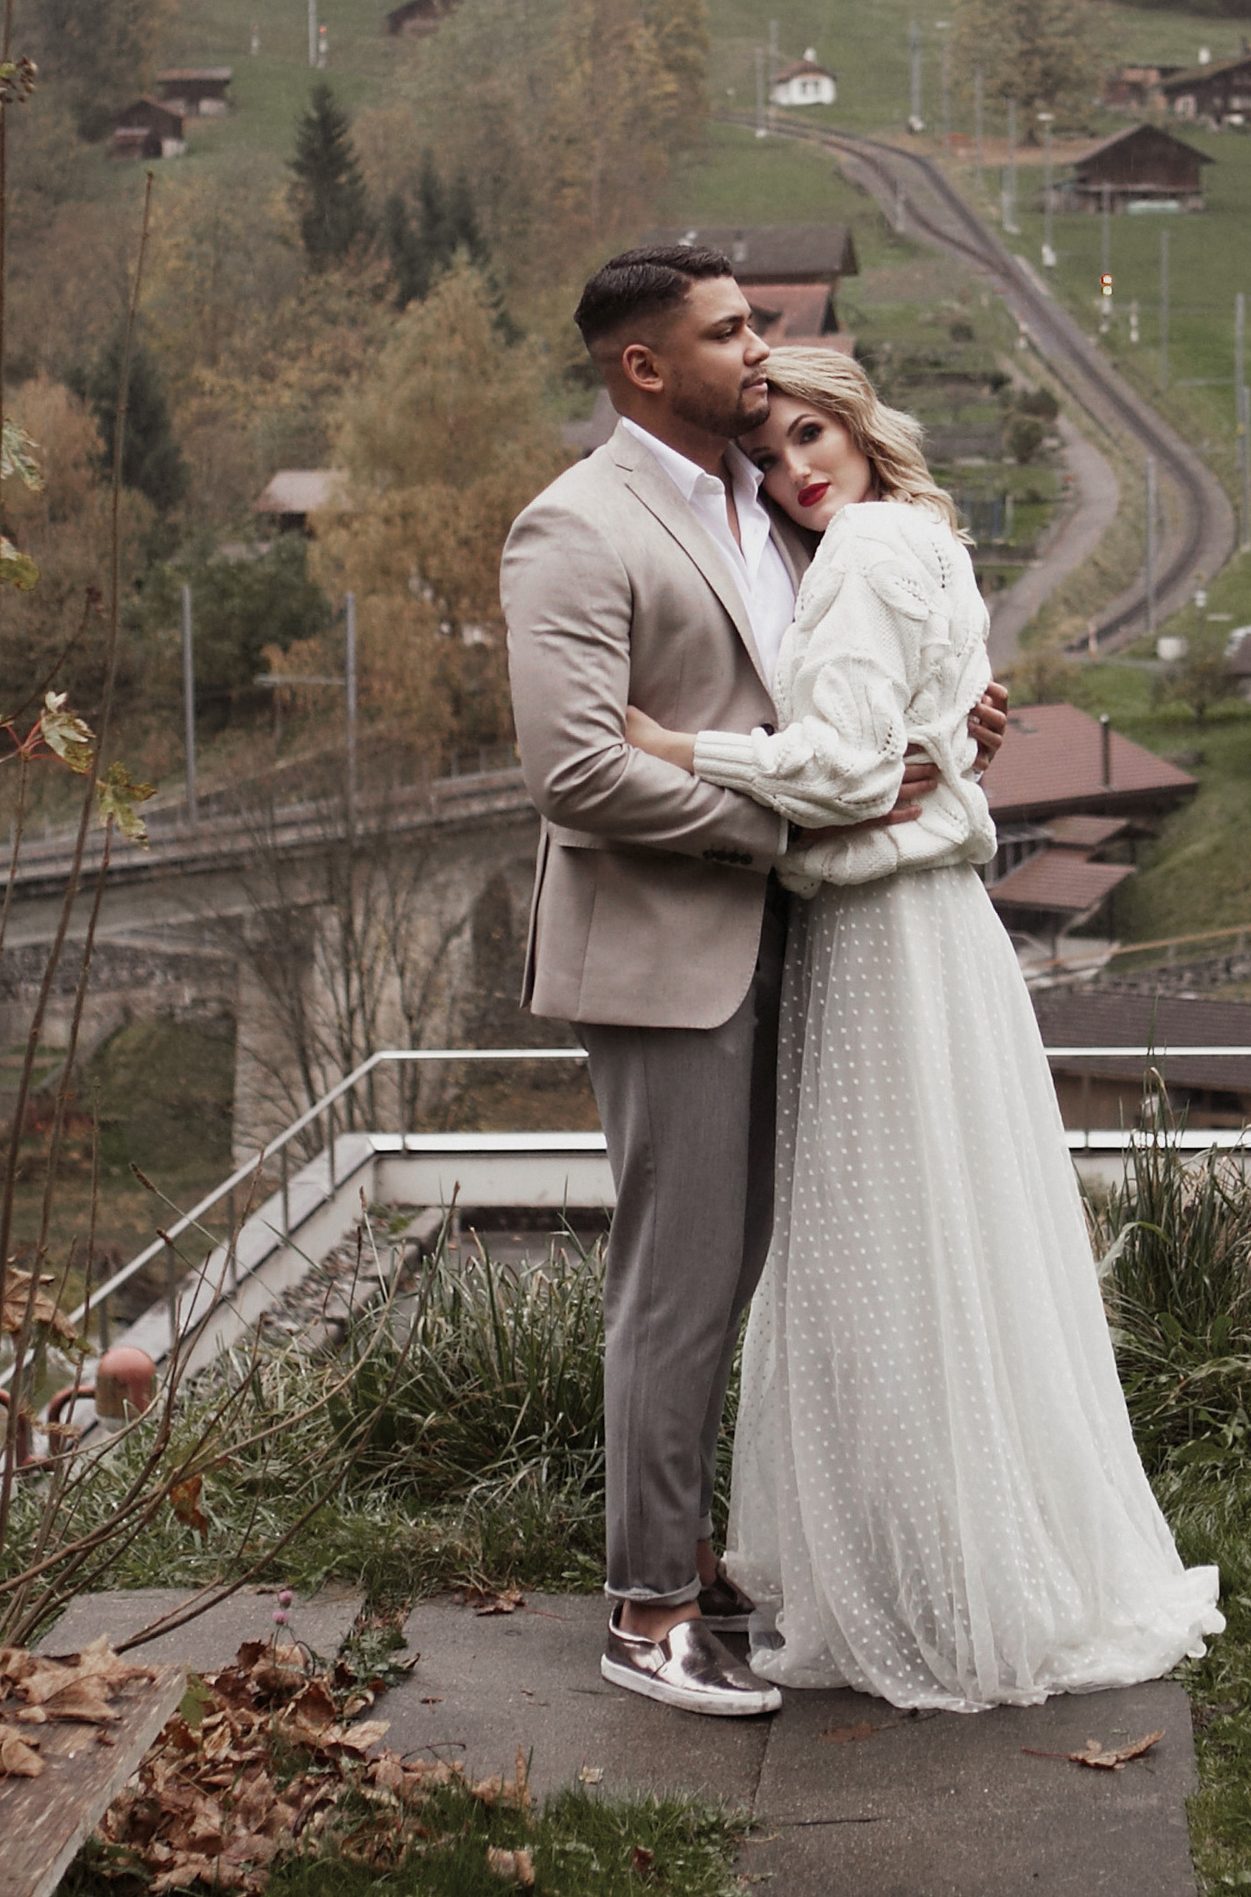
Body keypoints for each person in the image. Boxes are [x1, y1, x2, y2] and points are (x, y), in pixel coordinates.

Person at [622, 339, 1222, 1713]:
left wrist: (676, 751)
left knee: (880, 1244)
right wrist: (942, 750)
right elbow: (913, 734)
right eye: (767, 456)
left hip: (883, 936)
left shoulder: (865, 551)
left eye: (811, 432)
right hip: (933, 929)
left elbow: (839, 765)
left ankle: (930, 1579)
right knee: (949, 1237)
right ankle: (947, 1549)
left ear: (858, 422)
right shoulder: (928, 542)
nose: (793, 467)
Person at [501, 245, 1007, 1720]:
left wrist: (950, 706)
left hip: (798, 930)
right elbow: (579, 767)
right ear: (644, 366)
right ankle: (648, 1610)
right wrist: (793, 822)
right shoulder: (572, 529)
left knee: (767, 1270)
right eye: (730, 332)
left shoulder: (773, 508)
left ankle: (711, 1558)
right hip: (668, 954)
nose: (762, 350)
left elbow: (828, 691)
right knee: (682, 1284)